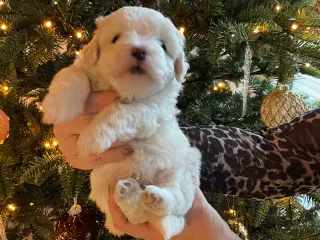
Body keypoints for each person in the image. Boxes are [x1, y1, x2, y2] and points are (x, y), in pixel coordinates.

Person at [54, 92, 240, 240]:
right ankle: (142, 204)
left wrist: (207, 232)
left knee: (174, 181)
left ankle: (161, 201)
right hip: (125, 171)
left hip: (166, 176)